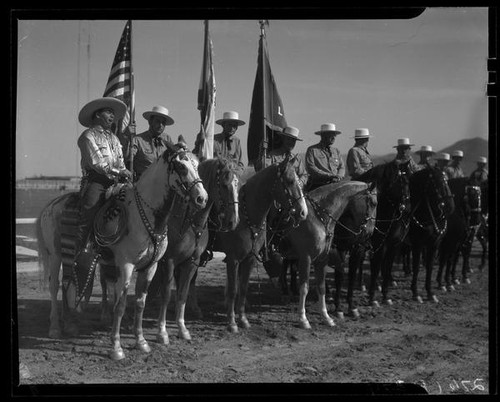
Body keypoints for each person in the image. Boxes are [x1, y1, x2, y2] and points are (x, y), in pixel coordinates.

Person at [74, 96, 132, 271]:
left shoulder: (114, 139)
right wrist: (119, 171)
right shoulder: (87, 136)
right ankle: (82, 250)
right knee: (90, 209)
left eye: (113, 113)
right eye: (109, 112)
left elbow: (120, 161)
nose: (112, 116)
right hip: (97, 181)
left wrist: (124, 173)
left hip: (117, 181)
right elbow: (96, 163)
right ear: (97, 114)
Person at [123, 105, 175, 181]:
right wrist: (126, 137)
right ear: (150, 121)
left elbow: (174, 158)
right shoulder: (137, 140)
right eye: (157, 121)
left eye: (163, 123)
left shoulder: (167, 139)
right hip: (143, 183)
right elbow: (127, 159)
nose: (160, 125)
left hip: (163, 183)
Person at [305, 123, 345, 191]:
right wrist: (330, 176)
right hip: (318, 186)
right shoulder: (312, 150)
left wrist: (339, 176)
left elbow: (342, 167)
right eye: (331, 135)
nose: (334, 137)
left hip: (336, 184)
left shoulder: (336, 151)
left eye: (334, 135)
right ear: (323, 136)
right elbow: (311, 168)